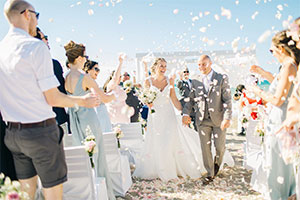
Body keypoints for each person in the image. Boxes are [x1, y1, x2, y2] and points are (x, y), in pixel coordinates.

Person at [0, 1, 99, 199]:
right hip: (40, 133)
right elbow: (52, 97)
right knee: (53, 194)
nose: (36, 20)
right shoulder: (35, 47)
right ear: (27, 14)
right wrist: (83, 101)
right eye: (36, 15)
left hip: (12, 134)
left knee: (26, 194)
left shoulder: (2, 49)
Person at [247, 30, 299, 200]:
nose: (272, 54)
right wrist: (262, 72)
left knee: (277, 166)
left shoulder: (290, 65)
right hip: (278, 118)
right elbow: (278, 82)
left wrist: (257, 91)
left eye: (272, 50)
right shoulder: (288, 66)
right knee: (278, 163)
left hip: (281, 119)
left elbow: (278, 99)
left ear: (282, 49)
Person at [64, 41, 116, 200]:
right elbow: (105, 98)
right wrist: (115, 94)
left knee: (83, 154)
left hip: (75, 120)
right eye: (85, 56)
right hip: (89, 119)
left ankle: (88, 192)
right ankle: (103, 193)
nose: (86, 59)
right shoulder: (84, 77)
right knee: (98, 154)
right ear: (79, 58)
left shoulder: (66, 77)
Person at [182, 55, 232, 185]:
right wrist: (185, 114)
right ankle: (210, 173)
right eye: (199, 65)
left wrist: (227, 117)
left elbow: (227, 100)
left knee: (220, 147)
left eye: (204, 64)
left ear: (210, 63)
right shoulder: (195, 81)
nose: (201, 67)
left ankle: (216, 164)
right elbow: (191, 100)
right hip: (202, 120)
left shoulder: (221, 78)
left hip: (219, 119)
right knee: (205, 148)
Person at [34, 27, 70, 134]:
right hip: (56, 118)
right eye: (44, 38)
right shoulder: (53, 64)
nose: (47, 40)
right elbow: (61, 91)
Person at [83, 60, 112, 132]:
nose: (98, 71)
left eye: (99, 70)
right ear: (88, 70)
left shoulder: (92, 82)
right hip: (96, 114)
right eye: (96, 69)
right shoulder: (87, 82)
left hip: (100, 113)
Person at [103, 56, 134, 124]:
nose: (119, 78)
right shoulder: (110, 85)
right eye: (119, 77)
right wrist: (120, 63)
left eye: (120, 77)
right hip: (114, 119)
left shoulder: (119, 87)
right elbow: (115, 78)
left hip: (124, 119)